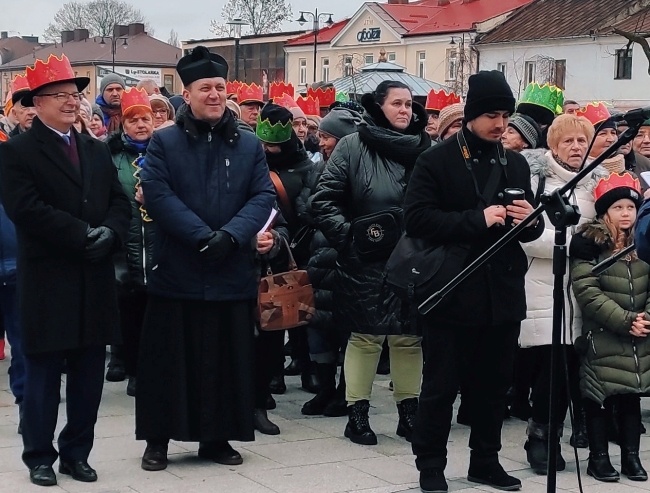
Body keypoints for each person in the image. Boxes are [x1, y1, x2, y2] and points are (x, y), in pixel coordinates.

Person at [404, 70, 544, 493]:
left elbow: (531, 227)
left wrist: (529, 222)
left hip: (500, 293)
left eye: (505, 115)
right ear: (470, 114)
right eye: (491, 115)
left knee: (492, 389)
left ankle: (485, 461)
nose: (500, 124)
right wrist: (475, 219)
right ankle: (430, 465)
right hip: (451, 291)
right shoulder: (437, 160)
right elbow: (416, 219)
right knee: (440, 388)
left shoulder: (516, 162)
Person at [136, 46, 275, 471]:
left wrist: (231, 236)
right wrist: (201, 237)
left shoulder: (249, 144)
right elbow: (158, 194)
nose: (214, 94)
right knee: (168, 358)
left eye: (219, 87)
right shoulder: (164, 140)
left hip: (230, 266)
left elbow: (262, 195)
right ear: (188, 92)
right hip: (178, 266)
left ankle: (216, 439)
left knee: (225, 357)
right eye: (204, 88)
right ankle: (157, 440)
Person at [0, 53, 130, 487]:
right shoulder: (18, 151)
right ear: (36, 104)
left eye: (75, 95)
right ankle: (39, 454)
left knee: (89, 375)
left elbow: (118, 200)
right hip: (47, 278)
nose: (72, 102)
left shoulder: (94, 149)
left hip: (93, 277)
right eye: (61, 96)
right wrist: (80, 234)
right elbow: (26, 209)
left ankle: (78, 452)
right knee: (41, 374)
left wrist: (110, 233)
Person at [312, 80, 431, 446]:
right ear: (378, 106)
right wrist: (349, 238)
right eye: (397, 103)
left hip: (414, 258)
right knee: (365, 337)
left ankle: (409, 413)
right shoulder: (352, 146)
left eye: (409, 104)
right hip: (365, 260)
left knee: (409, 338)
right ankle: (357, 414)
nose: (405, 111)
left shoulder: (426, 150)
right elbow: (323, 201)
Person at [517, 114, 602, 474]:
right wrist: (570, 246)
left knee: (566, 370)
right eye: (568, 141)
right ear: (553, 145)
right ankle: (539, 438)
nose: (576, 147)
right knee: (544, 369)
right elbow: (526, 235)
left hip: (581, 289)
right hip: (539, 286)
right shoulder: (537, 182)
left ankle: (554, 436)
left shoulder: (594, 185)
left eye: (581, 141)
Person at [570, 172, 648, 482]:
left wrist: (644, 319)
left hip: (639, 334)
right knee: (599, 395)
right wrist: (625, 320)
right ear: (605, 212)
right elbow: (587, 290)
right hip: (603, 333)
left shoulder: (644, 243)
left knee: (631, 395)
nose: (626, 213)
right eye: (618, 208)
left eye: (631, 207)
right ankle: (598, 457)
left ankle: (631, 456)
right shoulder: (591, 244)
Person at [253, 103, 316, 433]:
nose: (268, 151)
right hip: (253, 251)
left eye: (274, 145)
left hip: (291, 249)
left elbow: (308, 209)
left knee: (285, 317)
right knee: (258, 324)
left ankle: (296, 370)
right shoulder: (251, 162)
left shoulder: (304, 167)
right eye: (263, 144)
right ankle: (262, 384)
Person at [301, 106, 362, 417]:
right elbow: (306, 207)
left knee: (347, 330)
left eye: (326, 137)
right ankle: (325, 388)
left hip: (348, 260)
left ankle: (343, 392)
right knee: (319, 327)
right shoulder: (317, 169)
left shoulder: (361, 172)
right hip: (319, 259)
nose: (321, 143)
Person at [106, 87, 156, 397]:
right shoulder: (111, 156)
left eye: (146, 119)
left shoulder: (166, 153)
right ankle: (133, 368)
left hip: (158, 245)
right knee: (129, 309)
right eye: (133, 120)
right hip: (125, 246)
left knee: (155, 313)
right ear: (123, 124)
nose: (140, 125)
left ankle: (152, 369)